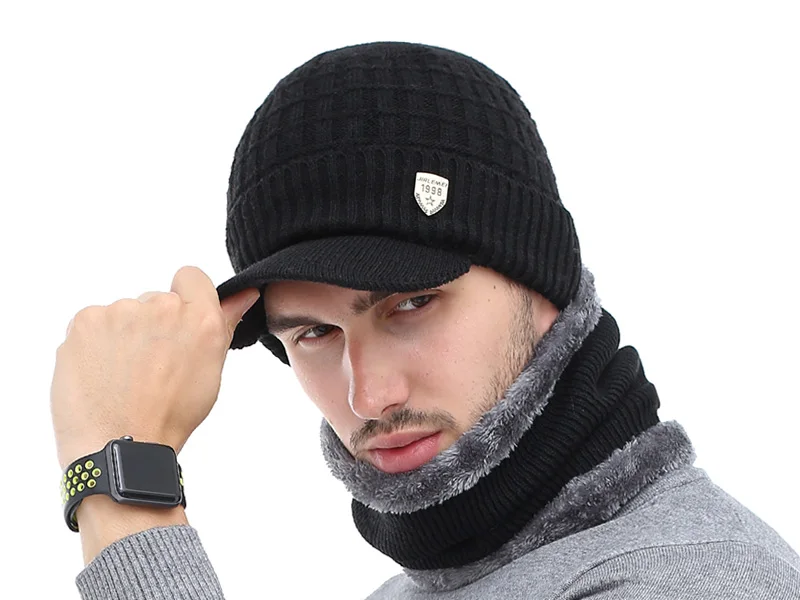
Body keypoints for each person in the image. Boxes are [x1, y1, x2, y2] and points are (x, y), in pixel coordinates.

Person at [50, 41, 800, 599]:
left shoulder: (692, 577)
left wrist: (125, 494)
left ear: (540, 283)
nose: (369, 395)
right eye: (314, 333)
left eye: (410, 304)